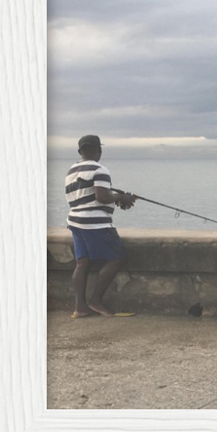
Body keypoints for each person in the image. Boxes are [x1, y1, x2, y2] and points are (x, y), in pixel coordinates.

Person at [65, 135, 137, 317]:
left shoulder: (71, 171)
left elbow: (88, 196)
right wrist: (121, 198)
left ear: (80, 151)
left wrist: (115, 197)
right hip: (95, 224)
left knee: (82, 263)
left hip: (75, 221)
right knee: (116, 257)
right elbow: (102, 197)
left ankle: (79, 307)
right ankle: (96, 300)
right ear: (99, 151)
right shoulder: (100, 170)